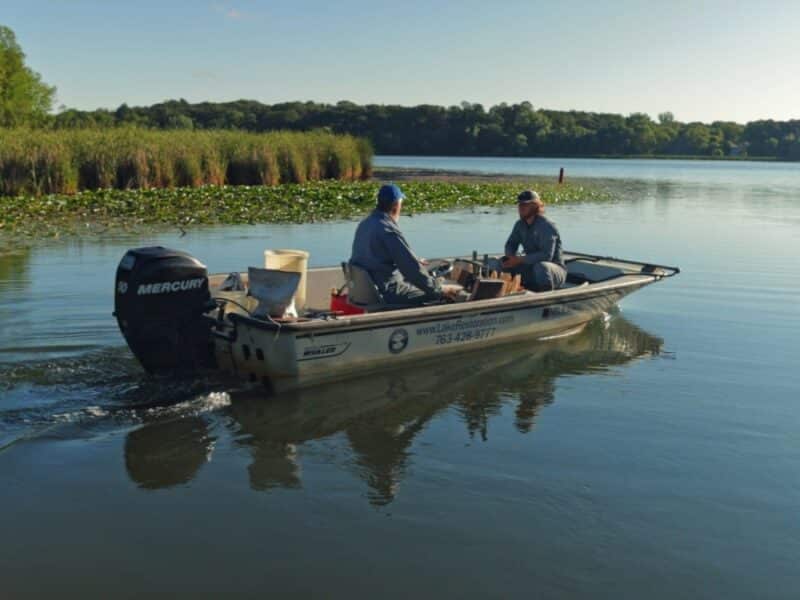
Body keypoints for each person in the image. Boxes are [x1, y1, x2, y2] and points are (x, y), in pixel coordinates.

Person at [350, 183, 459, 306]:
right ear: (396, 205)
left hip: (366, 292)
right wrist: (438, 290)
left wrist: (415, 260)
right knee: (451, 293)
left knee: (428, 282)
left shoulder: (365, 224)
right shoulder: (388, 230)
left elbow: (379, 255)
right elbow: (411, 270)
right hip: (389, 293)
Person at [501, 190, 567, 291]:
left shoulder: (547, 226)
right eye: (519, 204)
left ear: (535, 206)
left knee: (541, 267)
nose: (521, 208)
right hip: (531, 266)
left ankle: (545, 299)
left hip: (553, 270)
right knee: (502, 262)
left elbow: (546, 256)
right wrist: (510, 257)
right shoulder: (519, 225)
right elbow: (511, 244)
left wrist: (520, 259)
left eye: (525, 205)